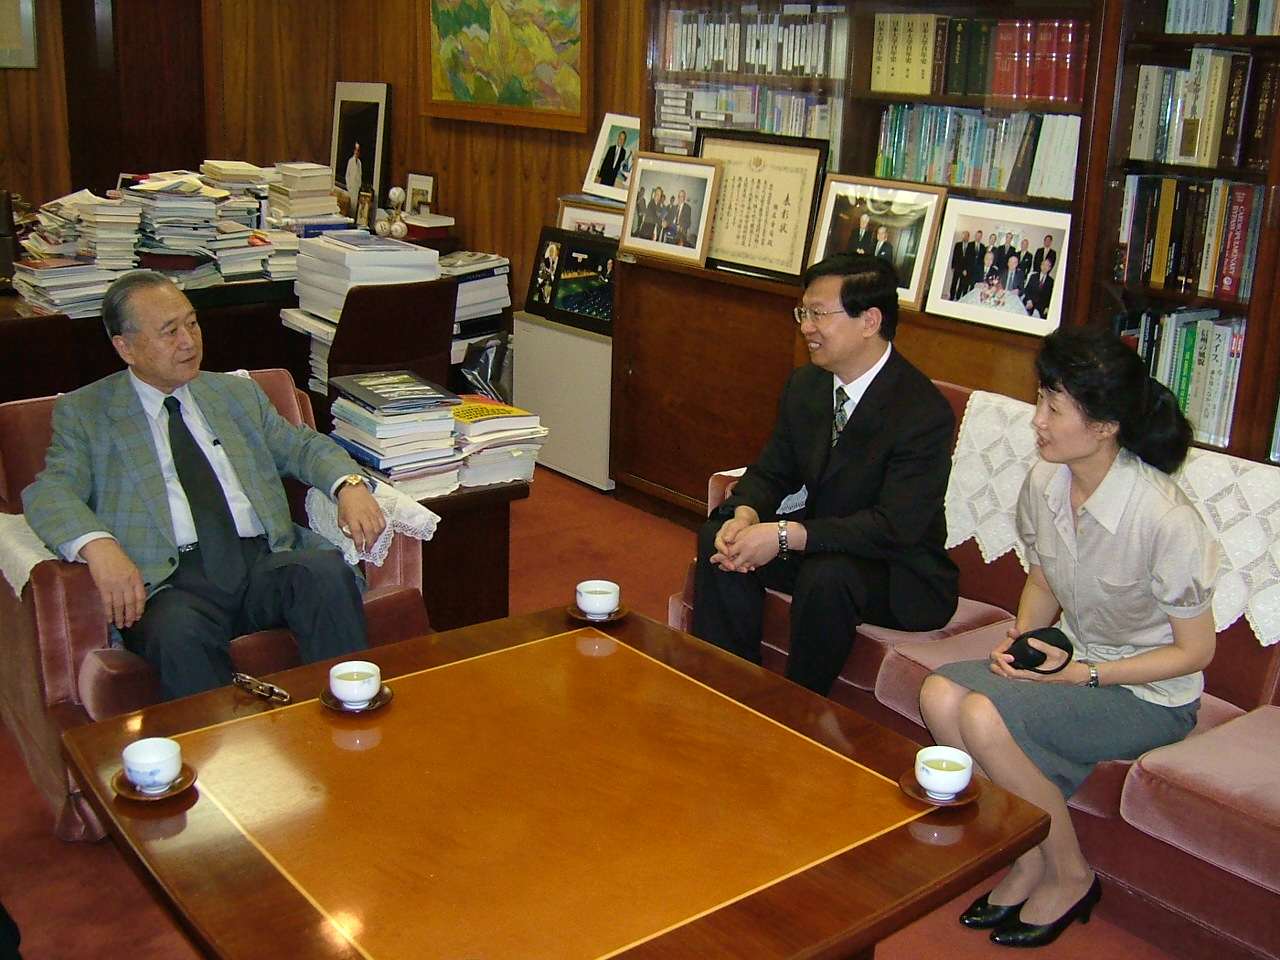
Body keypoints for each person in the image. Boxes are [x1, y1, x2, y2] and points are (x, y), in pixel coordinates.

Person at [919, 327, 1217, 948]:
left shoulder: (1164, 519)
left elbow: (1195, 652)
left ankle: (1073, 874)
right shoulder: (1046, 481)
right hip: (1076, 663)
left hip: (1151, 695)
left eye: (1054, 407)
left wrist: (1086, 674)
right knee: (939, 695)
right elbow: (1043, 578)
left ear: (1105, 426)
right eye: (1041, 399)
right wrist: (1027, 643)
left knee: (983, 713)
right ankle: (1027, 855)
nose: (1038, 420)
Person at [22, 271, 386, 701]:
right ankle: (222, 743)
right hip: (170, 583)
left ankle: (349, 715)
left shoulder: (235, 394)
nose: (188, 342)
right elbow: (49, 492)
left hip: (260, 561)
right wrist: (99, 546)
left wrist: (349, 485)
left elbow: (302, 447)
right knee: (177, 632)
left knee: (324, 573)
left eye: (192, 323)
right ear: (125, 347)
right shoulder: (87, 413)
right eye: (169, 331)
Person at [690, 253, 959, 695]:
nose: (806, 327)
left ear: (870, 321)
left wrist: (784, 536)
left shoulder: (921, 412)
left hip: (897, 571)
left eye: (818, 314)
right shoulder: (807, 386)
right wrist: (746, 513)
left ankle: (799, 708)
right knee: (720, 535)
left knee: (828, 576)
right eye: (803, 313)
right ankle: (728, 686)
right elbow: (772, 469)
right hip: (821, 545)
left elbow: (894, 527)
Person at [950, 230, 971, 300]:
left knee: (961, 284)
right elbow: (954, 255)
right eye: (963, 236)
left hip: (964, 270)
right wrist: (952, 266)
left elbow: (969, 259)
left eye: (966, 236)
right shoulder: (958, 244)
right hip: (957, 267)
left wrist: (966, 269)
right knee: (954, 283)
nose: (964, 237)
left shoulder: (970, 246)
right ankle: (951, 296)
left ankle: (958, 297)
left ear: (968, 237)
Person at [344, 143, 363, 217]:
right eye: (356, 150)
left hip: (356, 187)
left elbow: (360, 174)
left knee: (355, 205)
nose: (357, 152)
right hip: (351, 187)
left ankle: (353, 218)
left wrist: (359, 185)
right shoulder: (350, 161)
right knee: (350, 204)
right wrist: (348, 186)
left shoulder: (359, 163)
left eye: (358, 151)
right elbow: (347, 175)